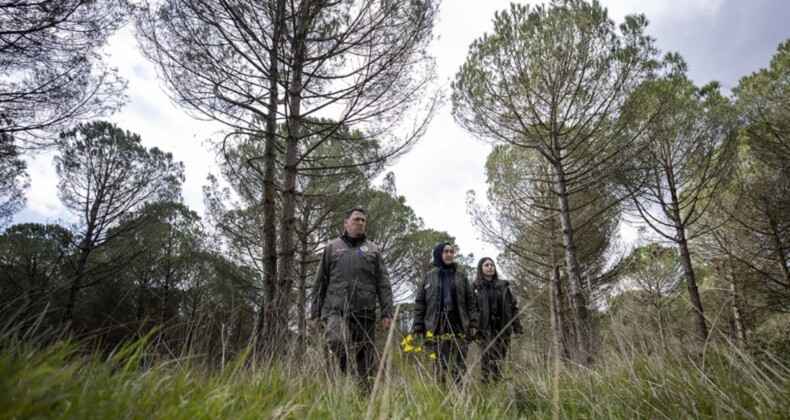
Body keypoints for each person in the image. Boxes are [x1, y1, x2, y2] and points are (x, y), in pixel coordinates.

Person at [310, 207, 393, 388]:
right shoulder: (332, 248)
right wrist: (315, 312)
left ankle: (364, 398)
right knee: (337, 340)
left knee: (366, 360)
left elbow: (383, 283)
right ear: (345, 222)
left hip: (365, 311)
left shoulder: (373, 250)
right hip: (336, 309)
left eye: (363, 220)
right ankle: (345, 365)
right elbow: (320, 281)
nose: (361, 223)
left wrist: (387, 312)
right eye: (356, 219)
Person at [412, 241, 478, 385]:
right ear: (438, 254)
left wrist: (473, 323)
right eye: (445, 252)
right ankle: (441, 398)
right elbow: (420, 302)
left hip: (458, 325)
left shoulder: (462, 276)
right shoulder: (428, 277)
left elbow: (470, 302)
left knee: (459, 364)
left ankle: (459, 399)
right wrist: (417, 325)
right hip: (436, 327)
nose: (449, 255)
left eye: (451, 252)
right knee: (441, 364)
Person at [472, 257, 523, 383]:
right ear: (481, 269)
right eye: (486, 265)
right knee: (487, 357)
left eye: (492, 265)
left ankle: (498, 385)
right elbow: (471, 309)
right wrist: (472, 326)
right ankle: (486, 384)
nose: (490, 267)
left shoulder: (503, 286)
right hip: (485, 328)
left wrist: (517, 327)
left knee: (500, 358)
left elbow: (513, 308)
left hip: (502, 327)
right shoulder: (475, 288)